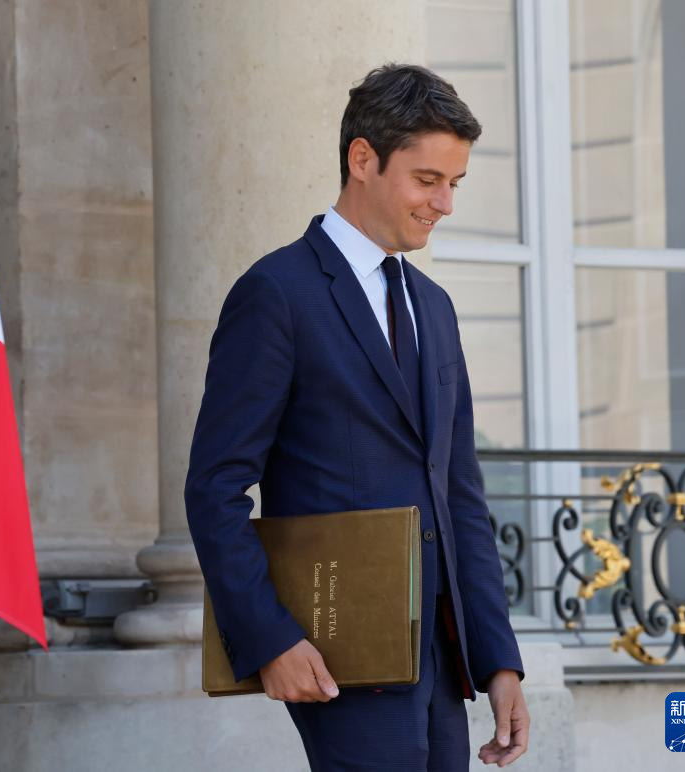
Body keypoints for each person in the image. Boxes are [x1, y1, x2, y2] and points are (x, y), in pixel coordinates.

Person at [184, 63, 529, 771]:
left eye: (455, 184)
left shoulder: (435, 308)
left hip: (442, 657)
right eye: (428, 180)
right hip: (337, 654)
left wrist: (499, 662)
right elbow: (214, 487)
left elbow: (459, 493)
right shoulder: (275, 294)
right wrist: (270, 639)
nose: (444, 204)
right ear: (363, 159)